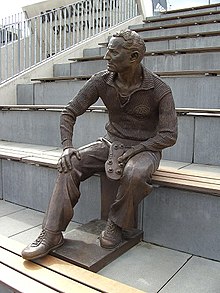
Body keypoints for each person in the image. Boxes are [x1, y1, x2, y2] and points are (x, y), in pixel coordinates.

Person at [22, 29, 177, 260]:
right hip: (111, 143)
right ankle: (52, 233)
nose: (106, 57)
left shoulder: (160, 90)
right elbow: (69, 112)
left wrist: (137, 149)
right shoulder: (101, 80)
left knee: (134, 173)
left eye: (113, 52)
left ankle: (115, 223)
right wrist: (67, 146)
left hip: (145, 148)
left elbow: (169, 135)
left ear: (134, 57)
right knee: (70, 163)